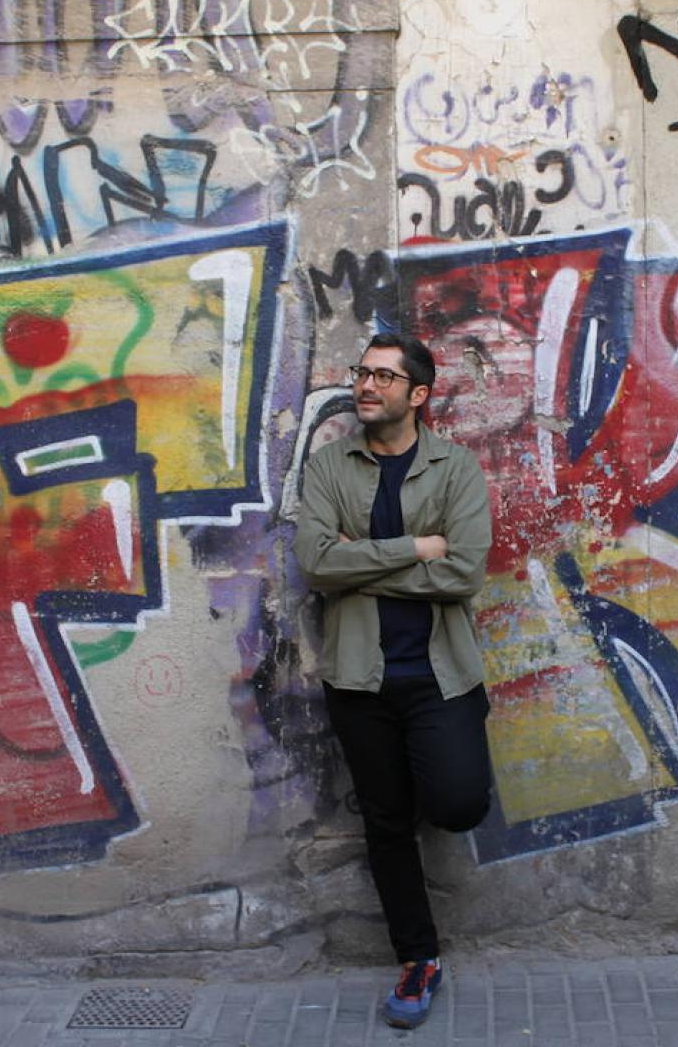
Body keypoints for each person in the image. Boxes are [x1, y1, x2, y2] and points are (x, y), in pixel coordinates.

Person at [296, 333, 495, 1030]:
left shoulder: (454, 469)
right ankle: (419, 958)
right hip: (360, 678)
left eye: (384, 376)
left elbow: (465, 571)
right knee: (385, 824)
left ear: (418, 395)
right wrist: (416, 548)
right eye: (362, 373)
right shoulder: (328, 467)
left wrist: (364, 561)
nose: (366, 385)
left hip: (440, 676)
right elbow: (318, 564)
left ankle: (432, 774)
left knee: (460, 801)